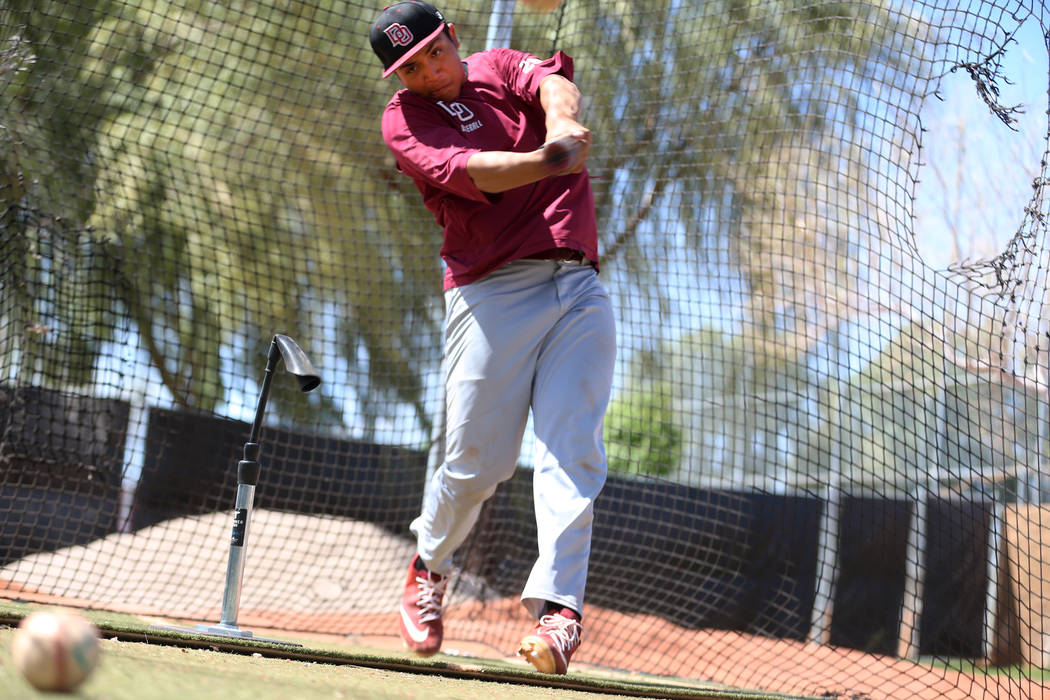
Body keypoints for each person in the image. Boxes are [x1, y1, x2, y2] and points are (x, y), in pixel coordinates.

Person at [368, 1, 616, 675]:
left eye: (434, 52)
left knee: (573, 448)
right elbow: (477, 172)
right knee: (478, 464)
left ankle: (560, 613)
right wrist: (547, 157)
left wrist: (562, 120)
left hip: (578, 286)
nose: (429, 72)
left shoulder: (499, 67)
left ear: (454, 36)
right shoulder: (403, 119)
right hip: (489, 292)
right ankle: (429, 566)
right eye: (410, 67)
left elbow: (552, 83)